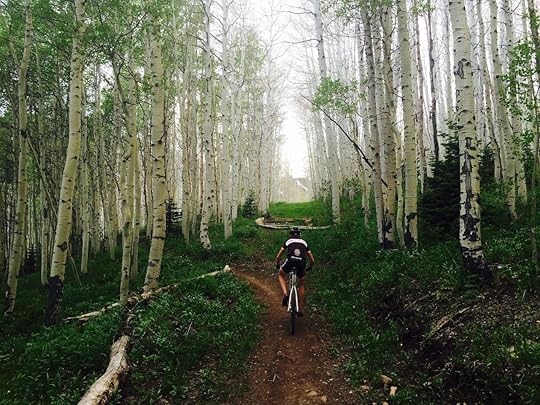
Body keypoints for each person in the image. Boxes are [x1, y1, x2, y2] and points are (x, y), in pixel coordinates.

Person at [274, 226, 315, 317]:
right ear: (300, 234)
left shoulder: (289, 241)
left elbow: (279, 255)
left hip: (291, 261)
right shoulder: (304, 242)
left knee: (281, 274)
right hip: (301, 263)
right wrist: (310, 267)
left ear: (291, 234)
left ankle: (285, 294)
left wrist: (277, 263)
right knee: (301, 283)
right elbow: (312, 259)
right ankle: (300, 308)